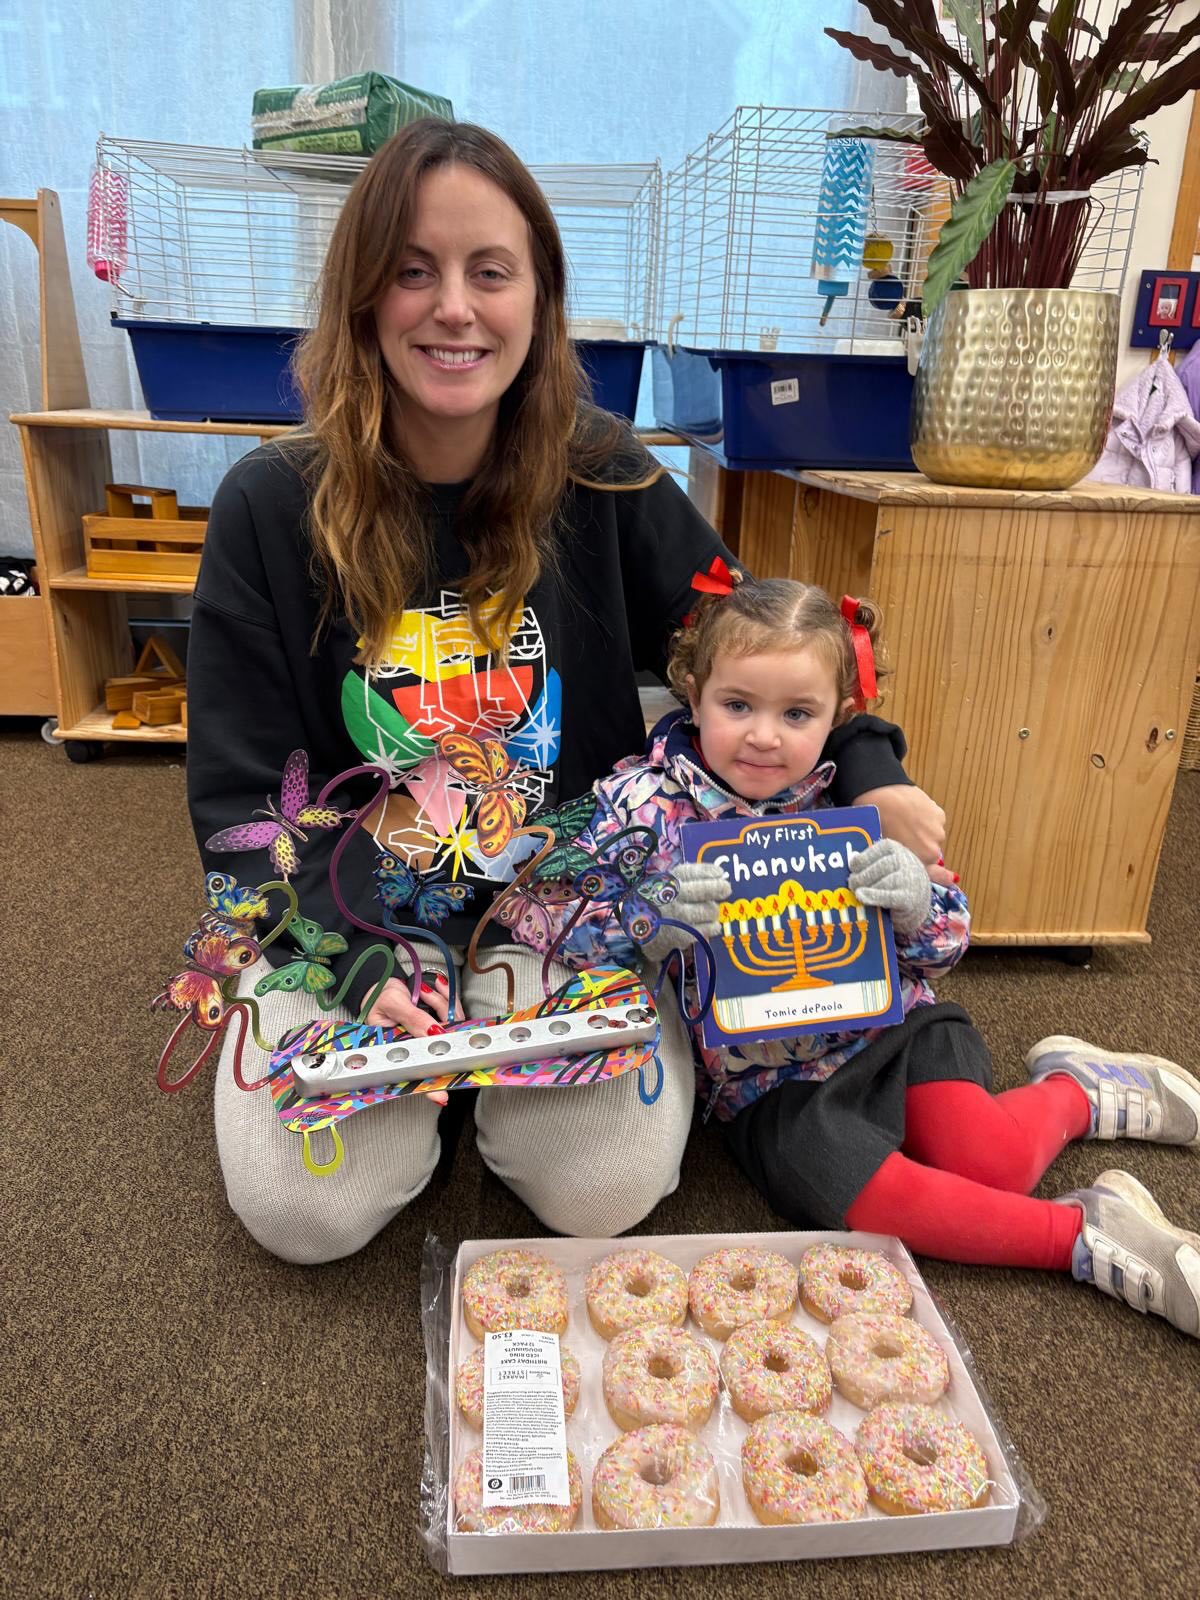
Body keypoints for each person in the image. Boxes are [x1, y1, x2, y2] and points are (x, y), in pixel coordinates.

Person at [185, 119, 950, 1265]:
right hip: (343, 909)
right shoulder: (265, 504)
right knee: (312, 1210)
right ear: (360, 298)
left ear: (537, 297)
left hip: (571, 903)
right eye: (412, 271)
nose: (455, 308)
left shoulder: (606, 468)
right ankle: (428, 1080)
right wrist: (351, 956)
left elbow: (768, 652)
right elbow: (245, 806)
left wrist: (873, 769)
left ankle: (477, 1067)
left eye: (491, 272)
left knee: (604, 1188)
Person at [508, 576, 1200, 1338]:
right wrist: (646, 916)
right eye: (738, 706)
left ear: (839, 716)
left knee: (995, 1160)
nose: (765, 736)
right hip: (767, 1082)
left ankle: (1078, 1093)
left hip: (895, 1029)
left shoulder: (858, 806)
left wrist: (915, 902)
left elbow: (944, 947)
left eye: (796, 714)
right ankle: (1085, 1239)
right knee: (866, 1195)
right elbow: (540, 913)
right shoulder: (642, 805)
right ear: (692, 693)